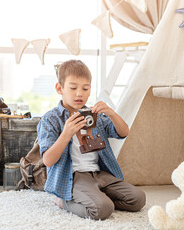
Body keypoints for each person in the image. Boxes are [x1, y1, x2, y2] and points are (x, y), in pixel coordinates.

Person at [37, 59, 146, 220]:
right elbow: (48, 161)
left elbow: (123, 132)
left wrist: (111, 113)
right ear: (59, 88)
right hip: (74, 176)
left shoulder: (95, 116)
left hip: (99, 173)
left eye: (85, 88)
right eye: (73, 88)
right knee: (102, 209)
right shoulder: (50, 119)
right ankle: (63, 201)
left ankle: (95, 196)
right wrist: (66, 134)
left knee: (138, 199)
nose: (79, 93)